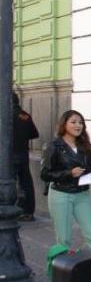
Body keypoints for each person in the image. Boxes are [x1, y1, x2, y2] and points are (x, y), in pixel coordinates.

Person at [41, 110, 91, 251]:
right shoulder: (54, 146)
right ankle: (60, 270)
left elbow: (88, 168)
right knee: (64, 239)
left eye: (80, 122)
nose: (78, 125)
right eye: (74, 122)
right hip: (61, 194)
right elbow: (45, 174)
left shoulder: (85, 146)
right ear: (64, 124)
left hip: (82, 194)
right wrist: (69, 173)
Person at [12, 93, 39, 221]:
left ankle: (10, 210)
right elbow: (34, 134)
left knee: (8, 182)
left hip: (9, 155)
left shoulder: (5, 115)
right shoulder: (25, 115)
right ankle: (28, 211)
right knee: (26, 182)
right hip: (23, 154)